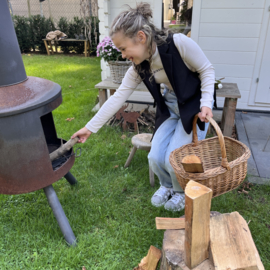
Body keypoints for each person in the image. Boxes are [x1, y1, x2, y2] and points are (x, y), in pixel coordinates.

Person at [71, 2, 215, 212]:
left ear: (141, 37)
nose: (122, 55)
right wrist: (89, 128)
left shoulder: (179, 43)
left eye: (123, 48)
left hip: (194, 107)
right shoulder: (139, 67)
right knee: (155, 156)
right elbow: (117, 98)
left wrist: (206, 104)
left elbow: (207, 70)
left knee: (175, 157)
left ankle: (180, 191)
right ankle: (167, 186)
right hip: (171, 105)